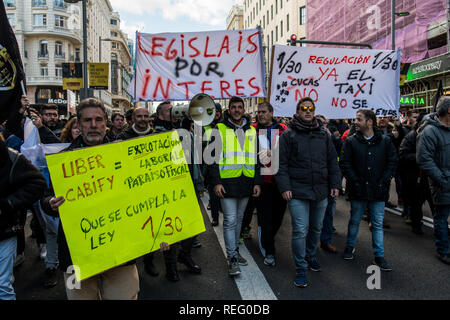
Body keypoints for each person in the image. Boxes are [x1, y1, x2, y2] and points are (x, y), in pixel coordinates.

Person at [41, 98, 152, 299]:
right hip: (75, 255)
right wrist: (50, 203)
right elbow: (45, 196)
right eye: (87, 120)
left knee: (126, 296)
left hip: (121, 251)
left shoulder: (125, 155)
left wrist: (159, 233)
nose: (93, 125)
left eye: (98, 120)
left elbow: (146, 193)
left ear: (106, 123)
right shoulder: (62, 161)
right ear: (78, 124)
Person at [276, 97, 340, 288]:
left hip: (320, 191)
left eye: (310, 108)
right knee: (300, 230)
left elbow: (332, 162)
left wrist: (335, 183)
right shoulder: (288, 135)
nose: (307, 111)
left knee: (316, 228)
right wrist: (285, 187)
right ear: (297, 112)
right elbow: (282, 164)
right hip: (298, 191)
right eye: (303, 108)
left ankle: (311, 256)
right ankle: (301, 268)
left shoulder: (324, 134)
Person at [143, 100, 202, 282]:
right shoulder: (156, 134)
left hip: (189, 184)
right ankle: (170, 267)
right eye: (172, 111)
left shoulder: (186, 131)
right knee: (171, 229)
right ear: (161, 115)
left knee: (193, 225)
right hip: (168, 188)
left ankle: (184, 255)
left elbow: (195, 155)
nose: (177, 112)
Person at [208, 96, 262, 277]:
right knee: (230, 221)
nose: (237, 110)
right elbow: (212, 159)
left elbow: (256, 160)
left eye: (240, 107)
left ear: (244, 110)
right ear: (229, 110)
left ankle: (235, 252)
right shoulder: (219, 128)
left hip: (246, 182)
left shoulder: (252, 131)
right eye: (234, 107)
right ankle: (231, 258)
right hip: (226, 183)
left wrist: (257, 182)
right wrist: (216, 182)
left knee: (239, 220)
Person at [340, 109, 397, 271]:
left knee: (377, 224)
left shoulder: (385, 141)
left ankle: (379, 256)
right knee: (354, 220)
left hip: (378, 190)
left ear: (370, 122)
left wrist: (384, 180)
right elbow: (345, 163)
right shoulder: (351, 142)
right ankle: (350, 247)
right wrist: (355, 181)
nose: (355, 122)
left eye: (359, 119)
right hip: (358, 189)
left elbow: (392, 161)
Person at [0, 133, 47, 300]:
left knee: (2, 285)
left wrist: (9, 204)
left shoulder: (11, 158)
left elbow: (37, 183)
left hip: (3, 230)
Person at [253, 101, 287, 266]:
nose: (261, 114)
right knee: (265, 218)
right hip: (262, 181)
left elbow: (289, 151)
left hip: (279, 181)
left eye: (264, 111)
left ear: (271, 113)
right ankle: (269, 251)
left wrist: (272, 152)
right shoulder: (252, 130)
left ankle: (268, 238)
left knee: (278, 217)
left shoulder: (283, 130)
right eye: (259, 112)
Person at [417, 97, 450, 265]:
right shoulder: (430, 131)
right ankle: (443, 250)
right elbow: (424, 159)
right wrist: (443, 179)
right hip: (442, 183)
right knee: (441, 217)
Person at [399, 112, 432, 235]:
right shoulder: (412, 136)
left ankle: (442, 227)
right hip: (416, 176)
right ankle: (416, 224)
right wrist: (419, 157)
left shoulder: (435, 136)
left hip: (431, 176)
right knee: (416, 203)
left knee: (436, 204)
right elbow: (403, 154)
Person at [203, 103, 223, 227]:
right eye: (213, 111)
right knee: (213, 194)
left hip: (224, 166)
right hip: (209, 163)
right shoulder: (204, 126)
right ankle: (215, 217)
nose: (216, 113)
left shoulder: (225, 125)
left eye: (217, 111)